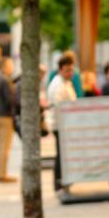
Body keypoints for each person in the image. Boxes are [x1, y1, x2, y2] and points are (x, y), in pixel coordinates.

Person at [47, 55, 78, 192]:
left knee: (63, 154)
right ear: (60, 70)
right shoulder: (58, 85)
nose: (70, 73)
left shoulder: (66, 83)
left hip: (66, 124)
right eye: (67, 70)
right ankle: (59, 184)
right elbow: (60, 107)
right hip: (61, 124)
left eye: (71, 70)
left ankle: (62, 182)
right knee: (61, 155)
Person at [0, 58, 17, 183]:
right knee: (5, 147)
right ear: (5, 66)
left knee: (1, 146)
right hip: (5, 116)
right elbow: (10, 100)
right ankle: (2, 174)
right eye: (11, 65)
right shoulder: (5, 80)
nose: (13, 68)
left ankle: (1, 173)